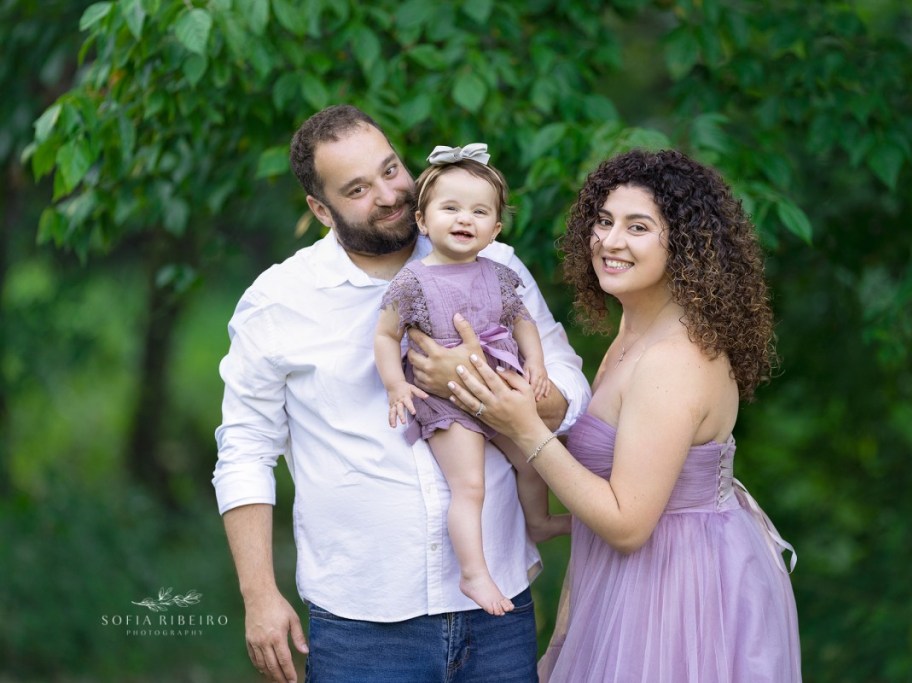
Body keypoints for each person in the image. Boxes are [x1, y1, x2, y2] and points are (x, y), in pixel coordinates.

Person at [213, 105, 590, 683]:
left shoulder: (494, 264)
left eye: (391, 170)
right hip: (363, 624)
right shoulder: (279, 301)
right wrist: (260, 595)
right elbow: (244, 450)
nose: (388, 194)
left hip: (499, 610)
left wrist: (481, 384)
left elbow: (568, 387)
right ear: (320, 208)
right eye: (358, 188)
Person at [448, 148, 802, 682]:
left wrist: (524, 424)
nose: (610, 242)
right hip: (626, 583)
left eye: (638, 227)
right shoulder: (634, 331)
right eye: (604, 221)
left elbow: (626, 524)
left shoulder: (674, 359)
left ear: (684, 245)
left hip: (677, 598)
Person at [374, 143, 566, 617]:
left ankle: (538, 522)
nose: (465, 219)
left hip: (499, 389)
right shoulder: (413, 282)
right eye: (451, 208)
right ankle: (474, 574)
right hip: (448, 404)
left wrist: (537, 365)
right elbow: (384, 336)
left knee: (534, 456)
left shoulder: (499, 273)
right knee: (470, 487)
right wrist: (397, 386)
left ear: (495, 229)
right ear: (422, 220)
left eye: (479, 212)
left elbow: (523, 322)